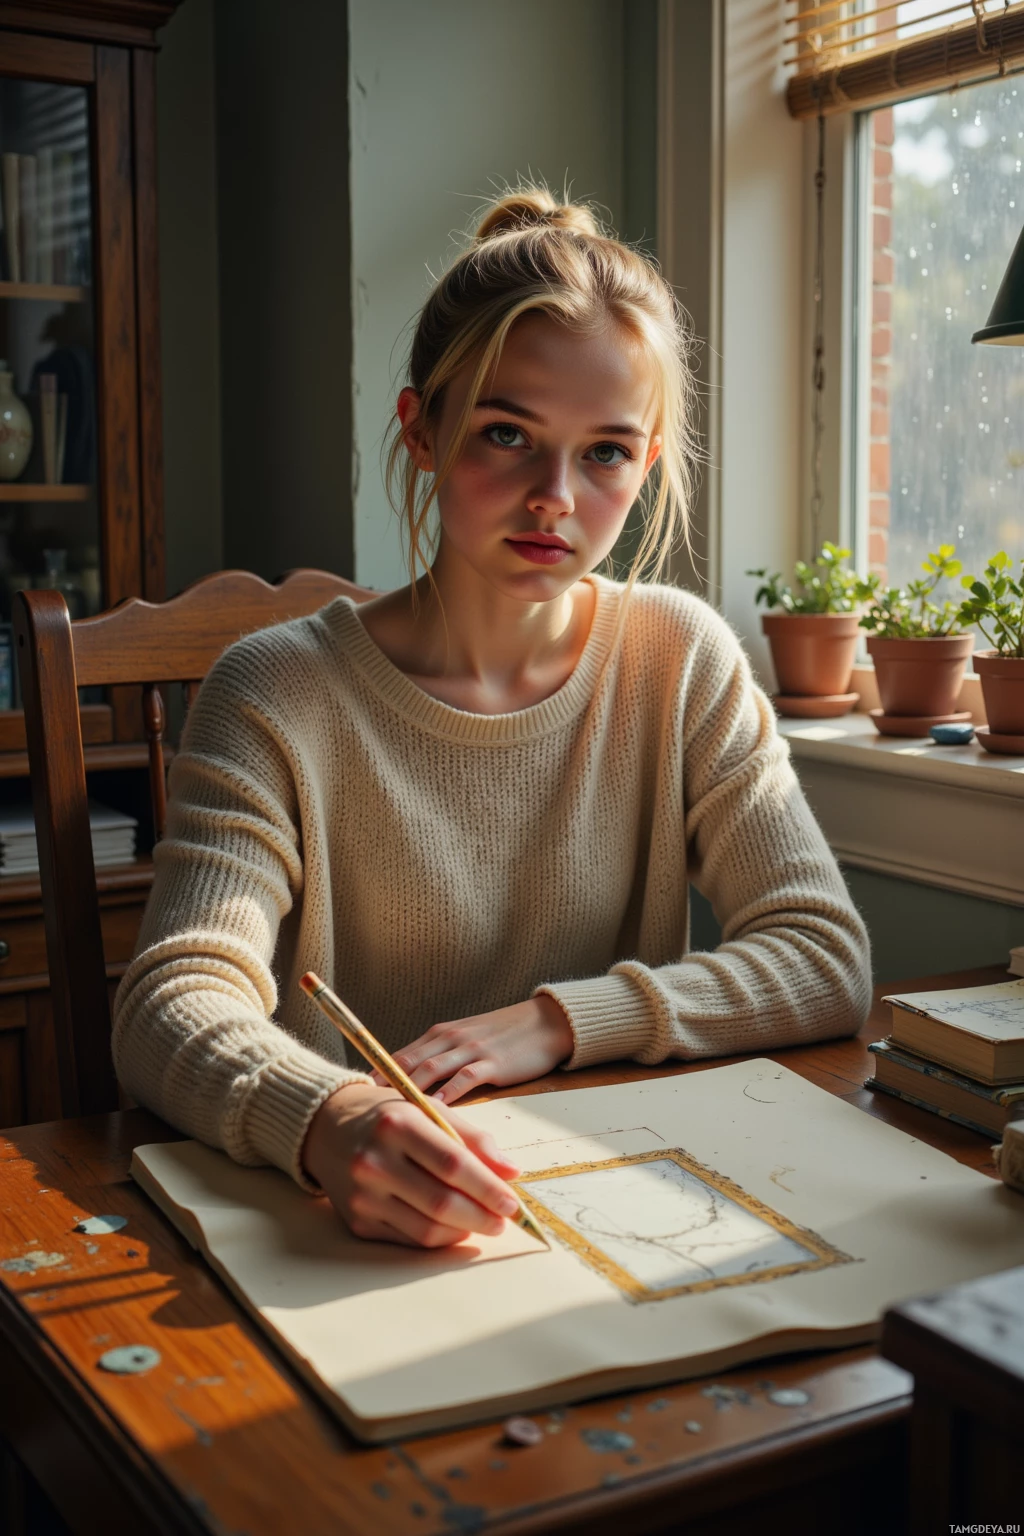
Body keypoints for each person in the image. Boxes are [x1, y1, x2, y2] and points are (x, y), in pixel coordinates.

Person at [113, 187, 871, 1251]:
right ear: (420, 431)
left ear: (647, 464)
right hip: (342, 1224)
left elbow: (822, 957)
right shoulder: (275, 690)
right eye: (505, 433)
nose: (553, 496)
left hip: (611, 1208)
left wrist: (556, 1023)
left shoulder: (678, 657)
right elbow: (170, 1003)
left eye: (605, 451)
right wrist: (332, 1117)